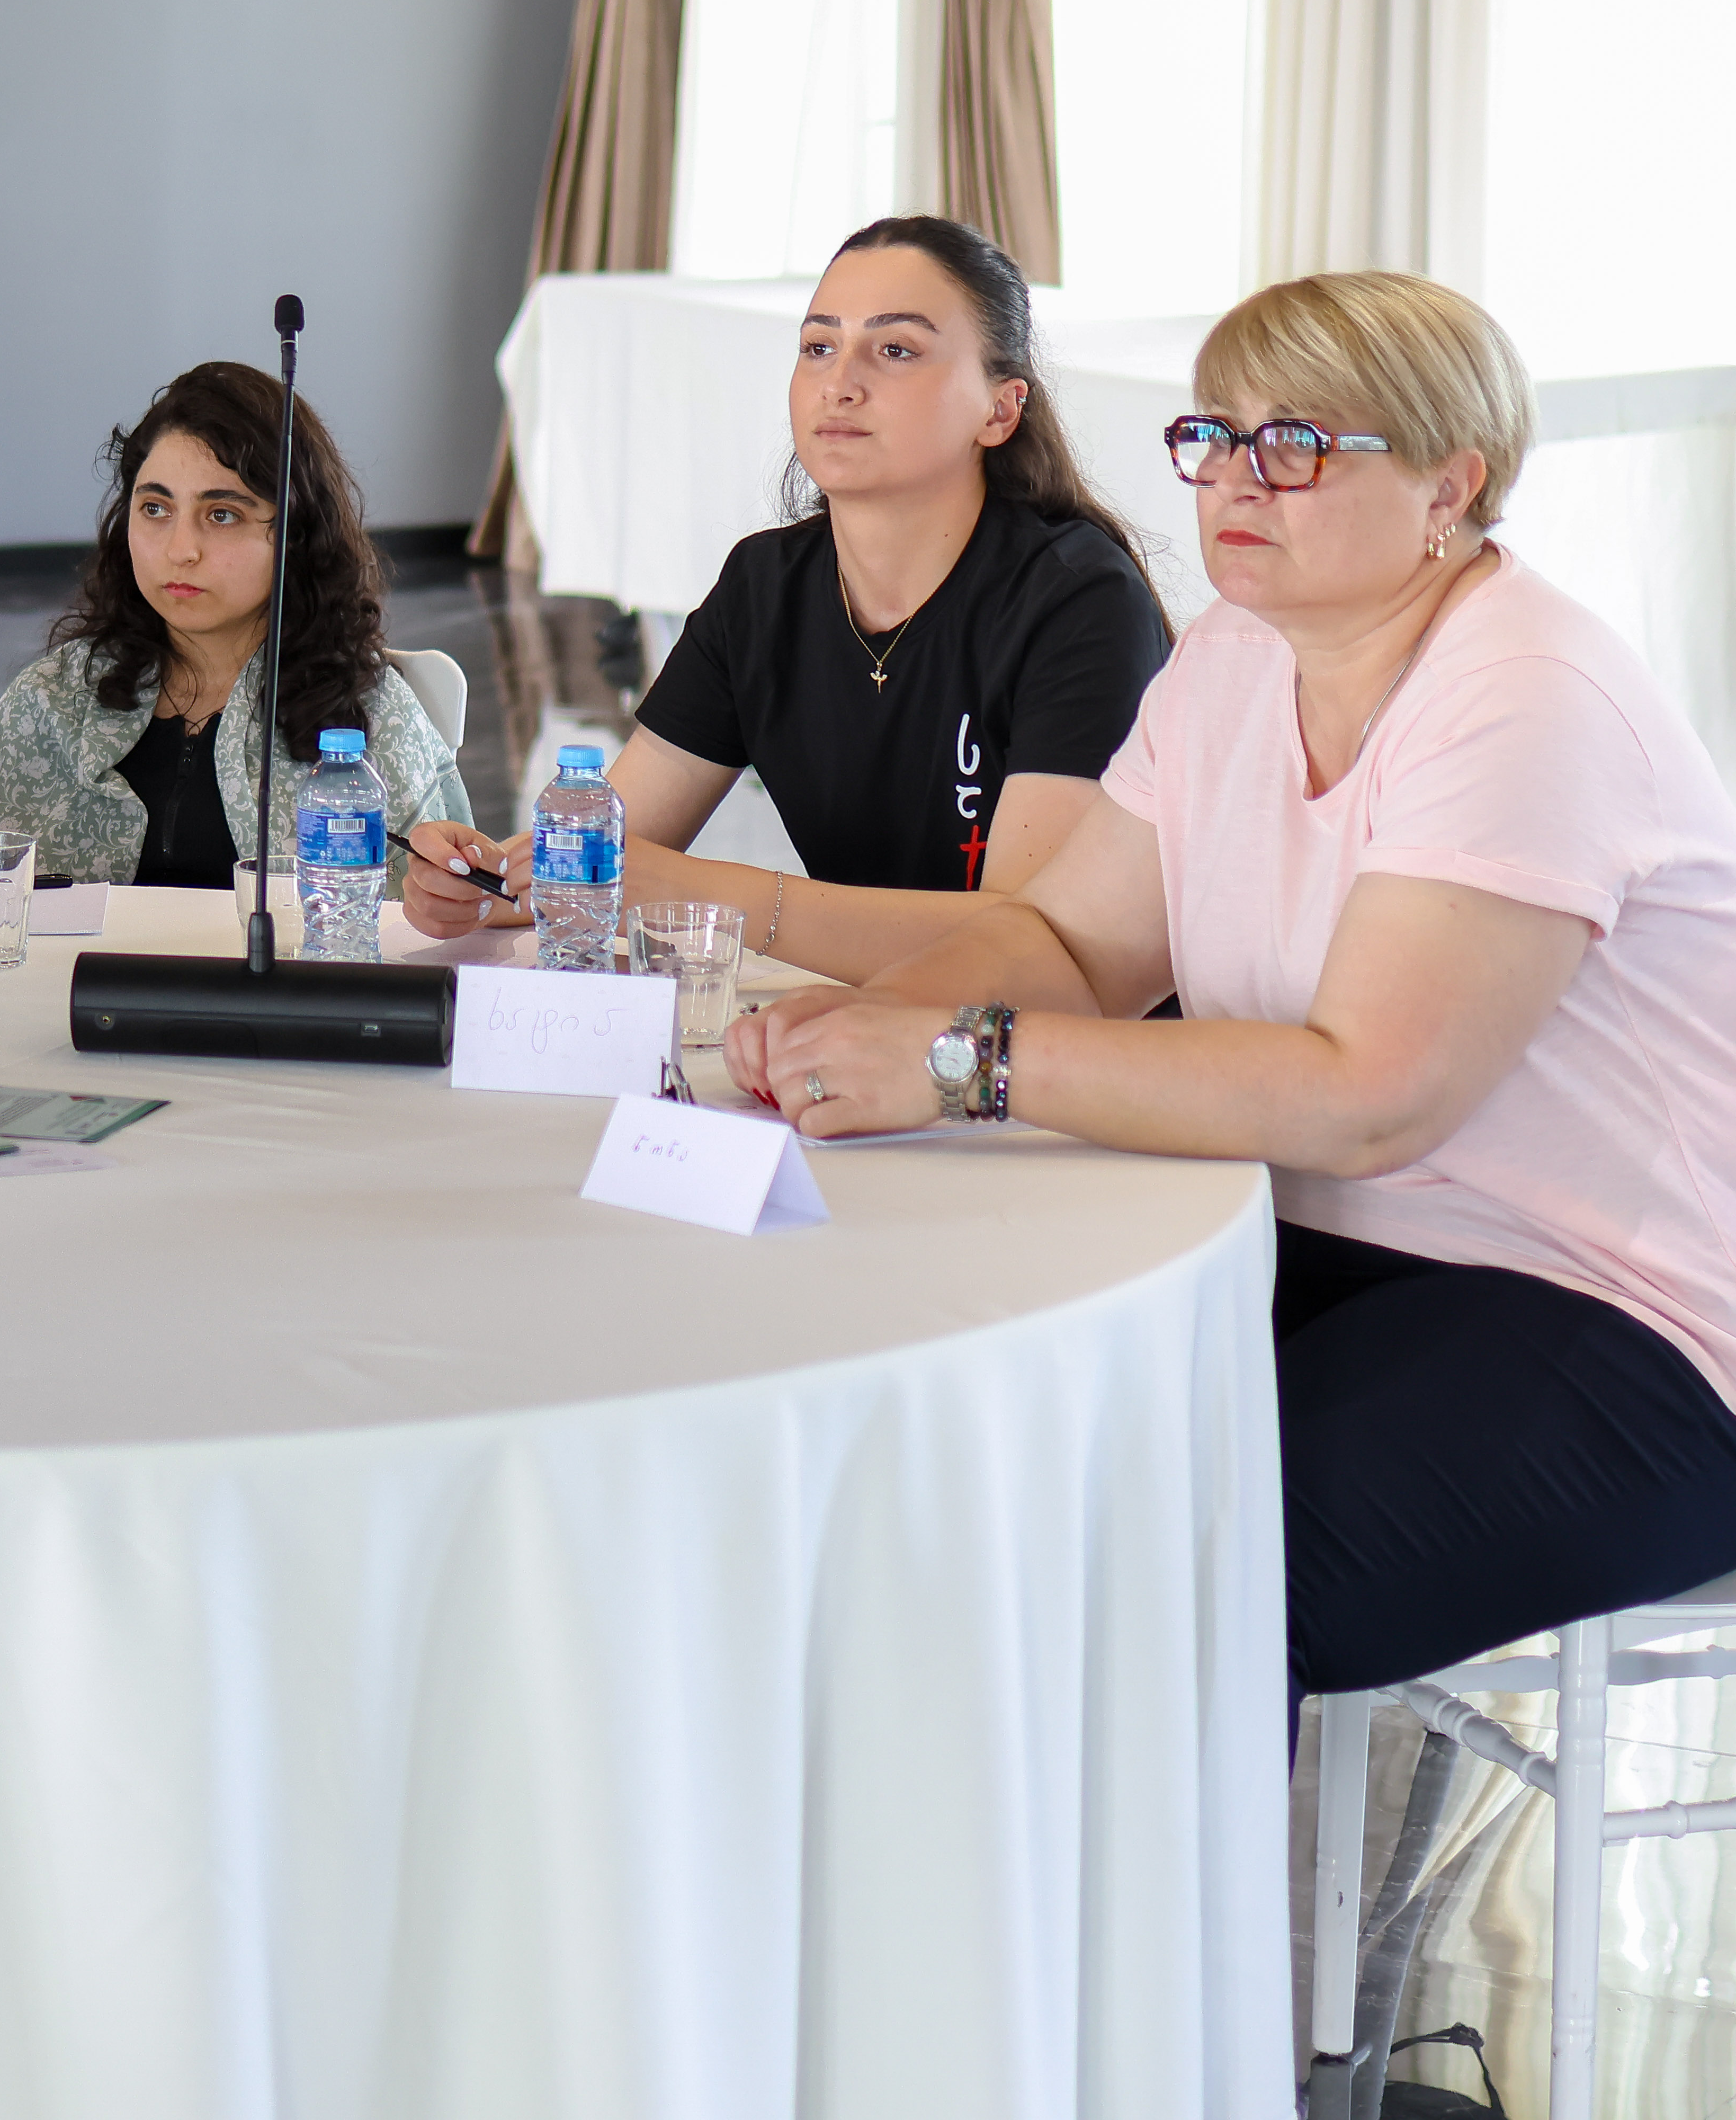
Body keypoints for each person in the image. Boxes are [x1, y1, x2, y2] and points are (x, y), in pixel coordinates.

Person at [731, 271, 1736, 1706]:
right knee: (955, 1442)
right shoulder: (1234, 655)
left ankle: (1131, 1869)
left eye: (1297, 445)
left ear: (1450, 484)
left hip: (1628, 1316)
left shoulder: (1526, 694)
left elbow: (1368, 1095)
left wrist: (959, 1062)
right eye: (1213, 436)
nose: (1234, 481)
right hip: (1325, 1241)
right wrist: (864, 1025)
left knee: (1178, 1564)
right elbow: (1072, 943)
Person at [405, 216, 1168, 979]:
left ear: (999, 410)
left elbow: (1029, 949)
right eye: (818, 347)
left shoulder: (1079, 602)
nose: (840, 383)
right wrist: (479, 886)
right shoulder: (763, 587)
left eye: (895, 350)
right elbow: (603, 863)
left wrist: (705, 893)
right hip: (868, 1017)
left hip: (1039, 1041)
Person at [0, 360, 470, 885]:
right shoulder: (52, 698)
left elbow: (437, 911)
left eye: (222, 514)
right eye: (155, 509)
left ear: (296, 535)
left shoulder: (369, 716)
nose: (180, 550)